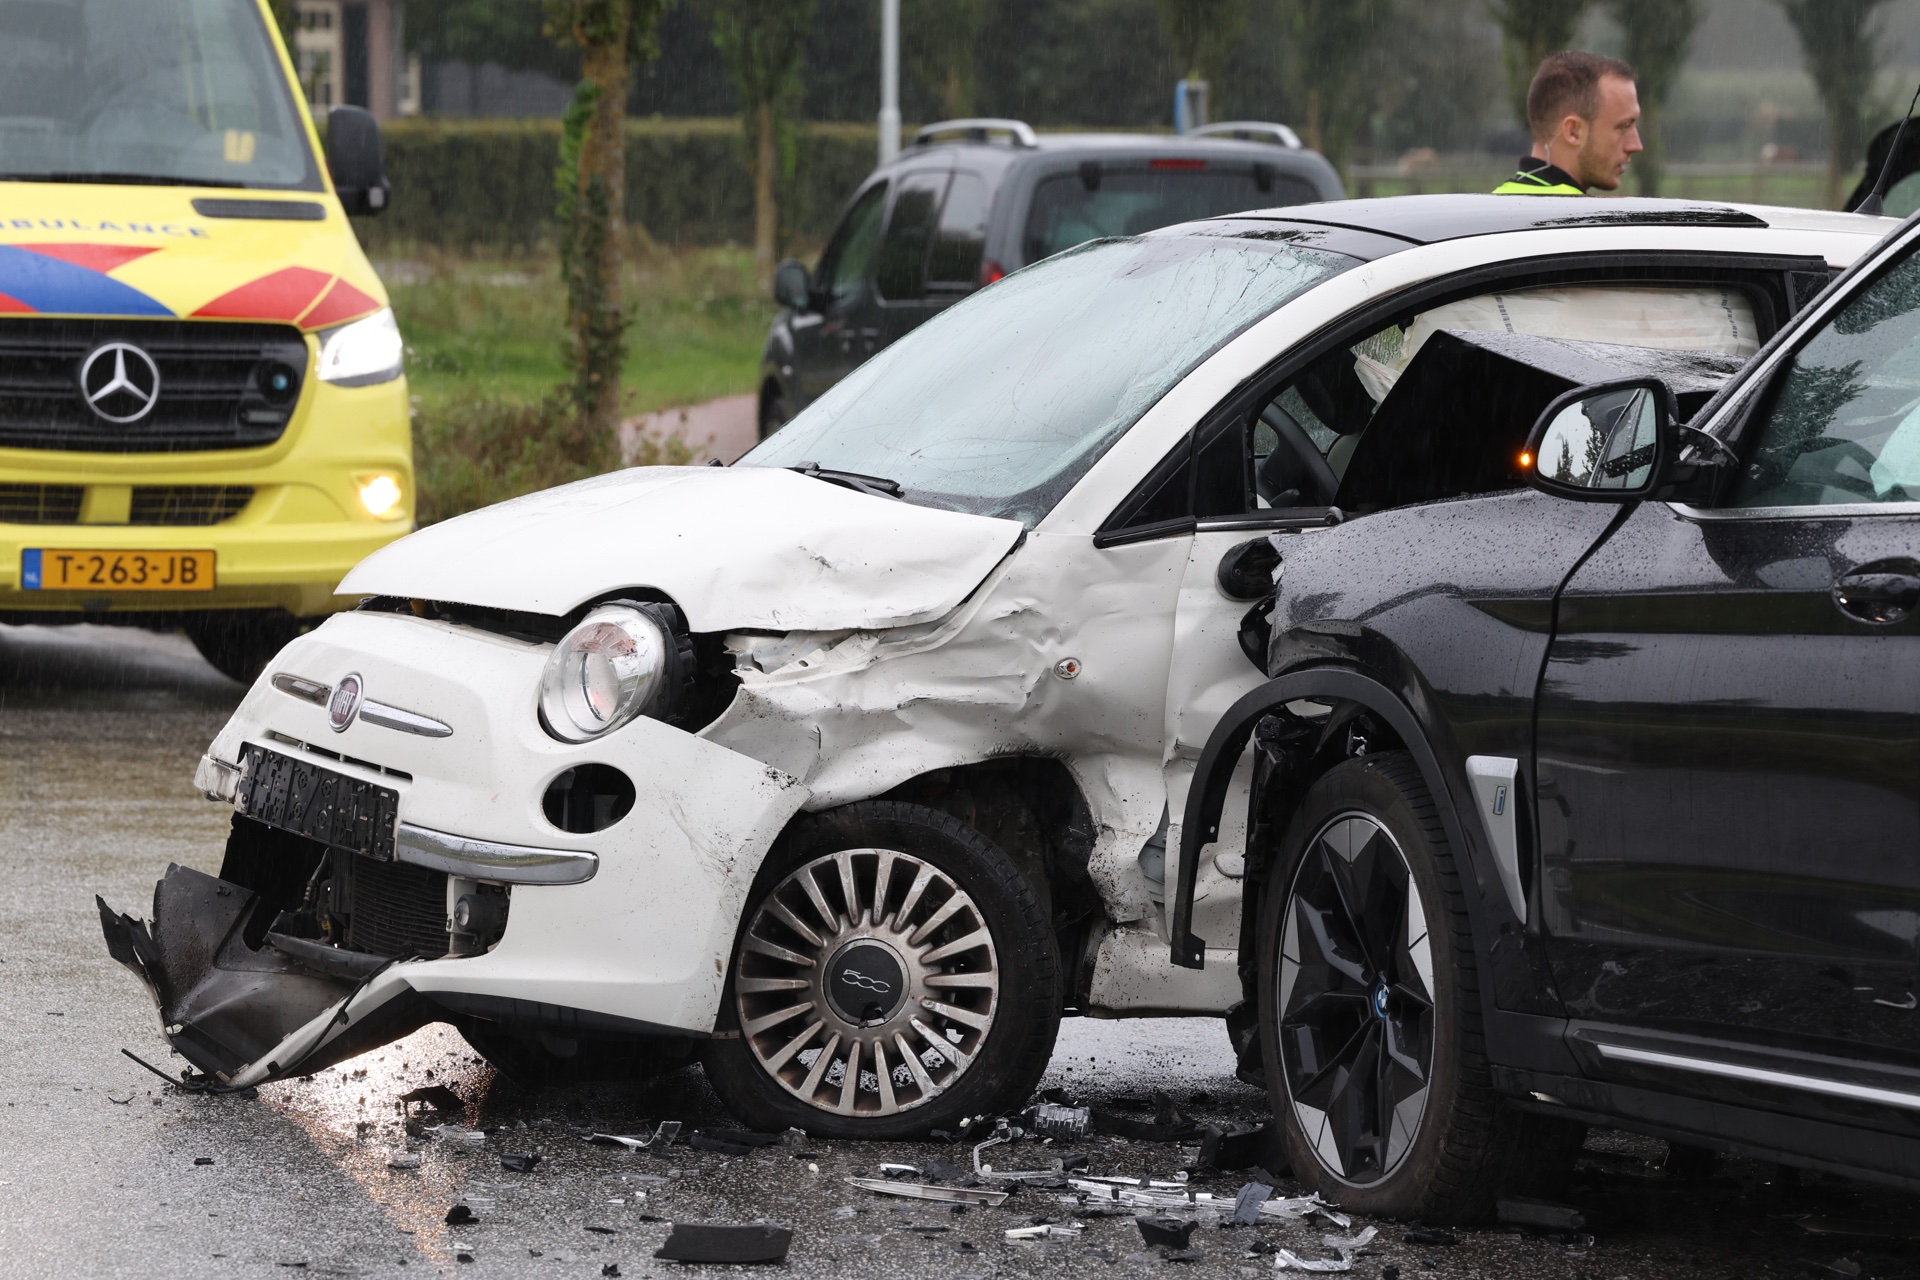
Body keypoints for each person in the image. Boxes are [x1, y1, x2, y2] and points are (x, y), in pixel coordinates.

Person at [1494, 51, 1643, 195]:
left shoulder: (1489, 206)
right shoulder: (1583, 217)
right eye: (1624, 126)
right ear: (1573, 131)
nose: (1636, 146)